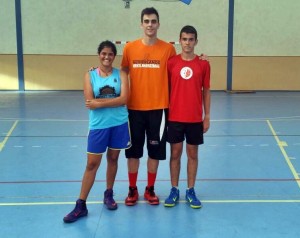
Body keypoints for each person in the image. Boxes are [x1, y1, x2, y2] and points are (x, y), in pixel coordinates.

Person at [63, 40, 131, 223]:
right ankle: (81, 204)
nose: (107, 57)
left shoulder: (121, 74)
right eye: (104, 53)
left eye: (110, 54)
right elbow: (89, 103)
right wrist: (112, 101)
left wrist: (100, 103)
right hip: (98, 126)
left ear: (114, 56)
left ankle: (108, 194)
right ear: (99, 54)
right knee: (92, 164)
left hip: (119, 123)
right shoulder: (90, 75)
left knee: (113, 159)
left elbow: (125, 98)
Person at [120, 7, 176, 206]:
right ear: (141, 24)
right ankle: (132, 189)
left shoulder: (168, 49)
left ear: (158, 24)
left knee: (155, 152)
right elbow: (123, 72)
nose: (150, 24)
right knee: (133, 152)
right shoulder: (129, 48)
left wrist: (200, 58)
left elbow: (177, 72)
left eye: (153, 21)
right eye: (146, 21)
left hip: (159, 109)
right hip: (134, 108)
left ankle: (150, 189)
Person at [164, 25, 211, 209]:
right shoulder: (171, 63)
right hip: (175, 117)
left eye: (191, 39)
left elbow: (206, 91)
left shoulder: (203, 64)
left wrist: (206, 116)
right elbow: (166, 89)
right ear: (180, 41)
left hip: (194, 119)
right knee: (175, 154)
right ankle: (174, 189)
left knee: (193, 154)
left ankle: (190, 190)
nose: (188, 43)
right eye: (184, 39)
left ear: (196, 42)